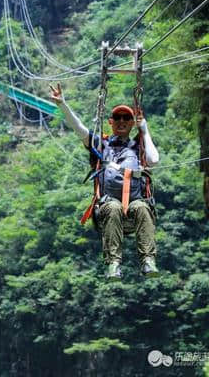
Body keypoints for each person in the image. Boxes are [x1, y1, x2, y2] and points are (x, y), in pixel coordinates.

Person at [49, 83, 160, 279]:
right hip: (108, 204)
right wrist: (62, 104)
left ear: (132, 122)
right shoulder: (102, 145)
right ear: (111, 121)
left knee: (143, 208)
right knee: (114, 208)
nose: (122, 121)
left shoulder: (138, 147)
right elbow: (80, 129)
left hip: (134, 203)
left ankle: (148, 260)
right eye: (118, 117)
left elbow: (154, 160)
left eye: (127, 118)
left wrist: (145, 129)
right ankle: (114, 263)